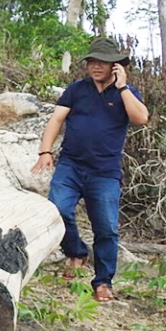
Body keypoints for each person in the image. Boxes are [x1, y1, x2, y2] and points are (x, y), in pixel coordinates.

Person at [30, 36, 150, 302]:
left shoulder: (125, 93)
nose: (96, 67)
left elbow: (141, 118)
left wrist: (123, 87)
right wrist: (45, 151)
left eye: (103, 62)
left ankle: (103, 281)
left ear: (115, 66)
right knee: (57, 209)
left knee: (106, 228)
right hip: (71, 165)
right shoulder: (77, 89)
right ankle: (76, 251)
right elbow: (56, 119)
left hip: (104, 172)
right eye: (92, 61)